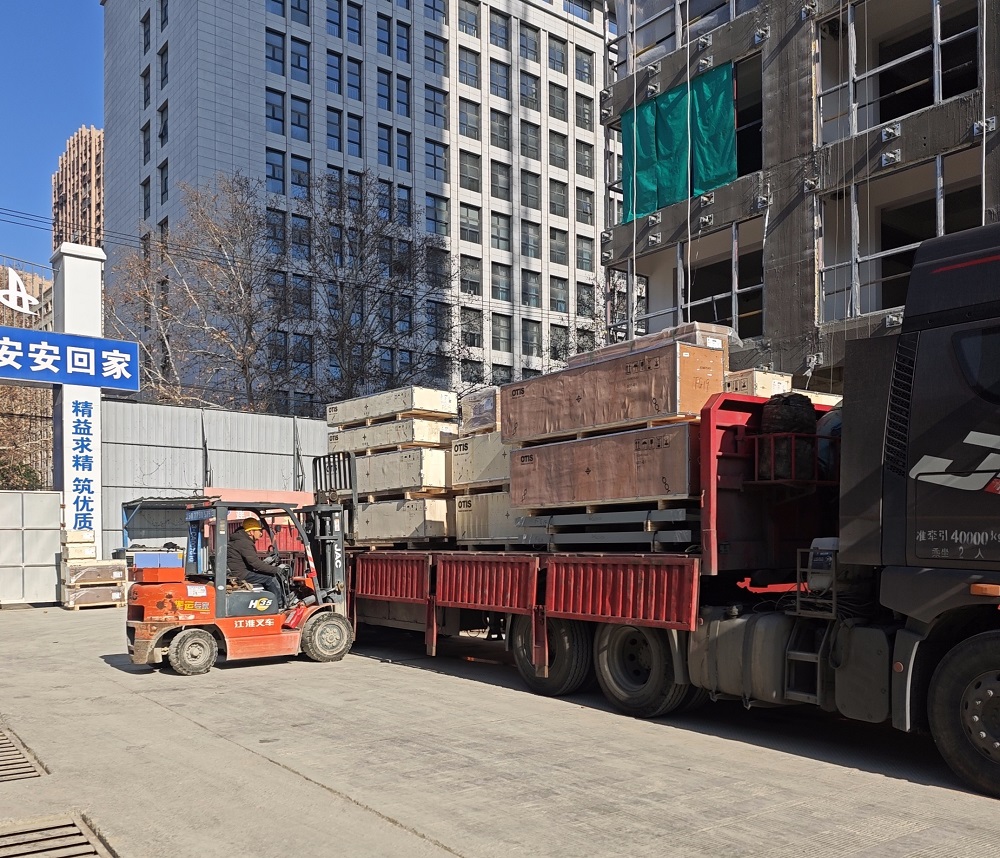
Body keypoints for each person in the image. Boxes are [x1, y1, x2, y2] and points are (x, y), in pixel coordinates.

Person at [227, 518, 289, 608]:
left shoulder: (238, 540)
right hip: (242, 574)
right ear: (251, 532)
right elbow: (256, 564)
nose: (261, 533)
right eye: (259, 530)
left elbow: (253, 562)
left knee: (267, 574)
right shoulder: (244, 543)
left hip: (238, 571)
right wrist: (277, 570)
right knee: (270, 579)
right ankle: (280, 605)